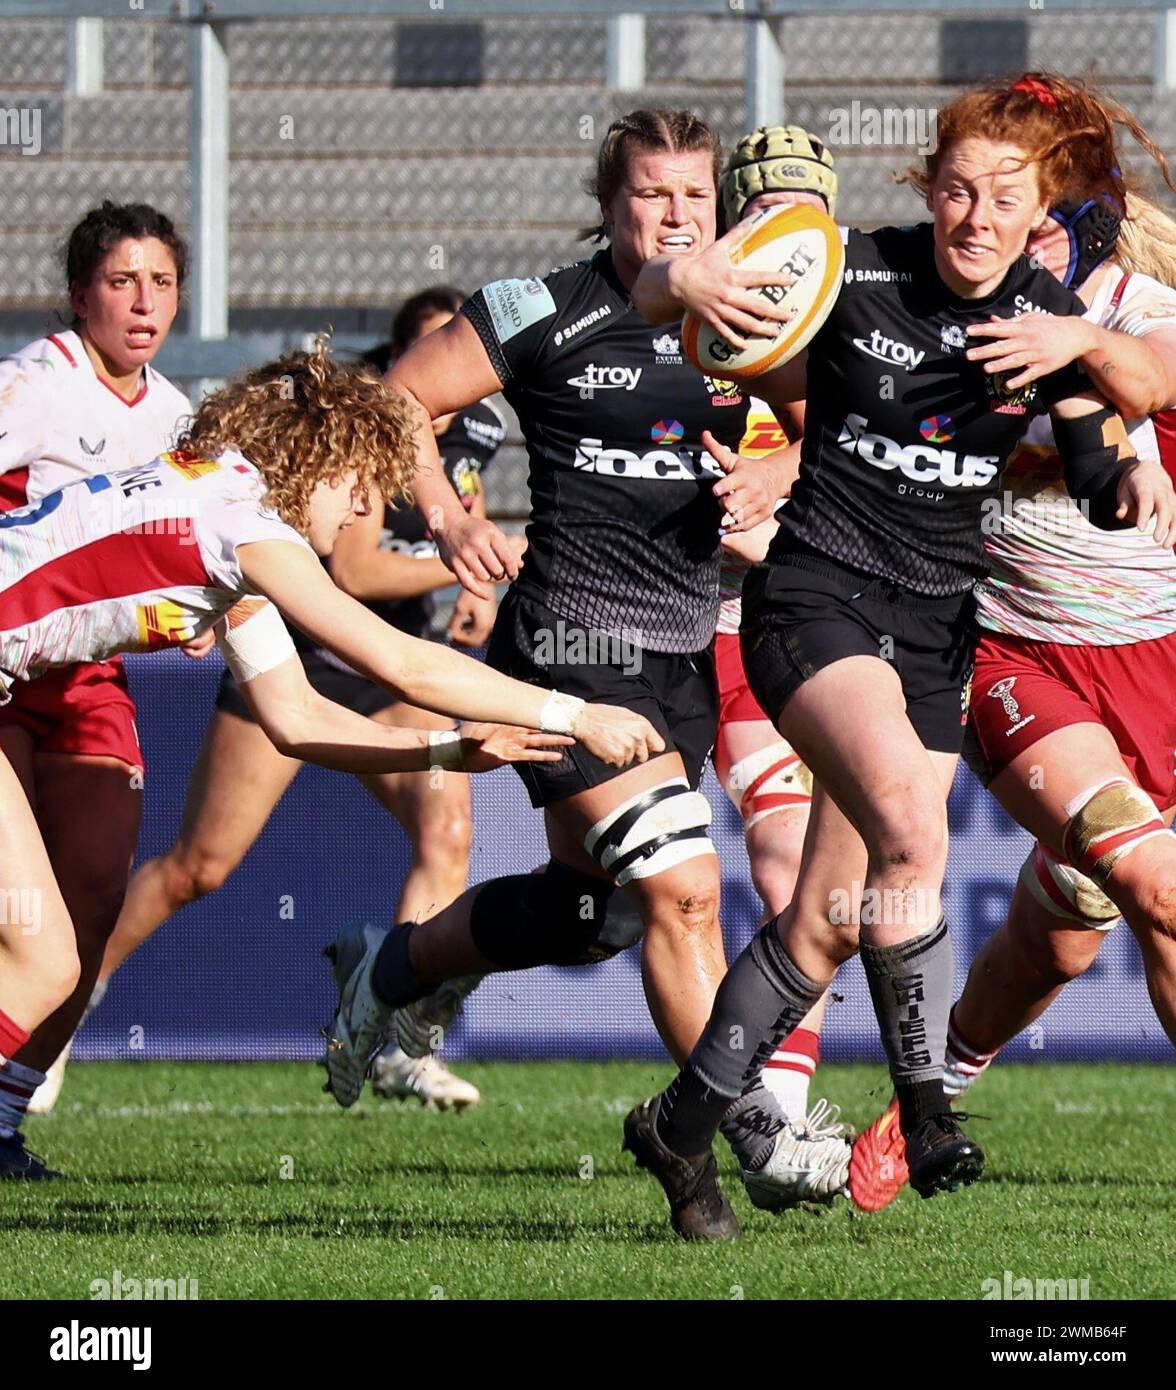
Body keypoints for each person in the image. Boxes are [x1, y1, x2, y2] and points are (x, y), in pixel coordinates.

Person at [616, 77, 1175, 1238]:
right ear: (928, 188)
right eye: (956, 189)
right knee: (914, 841)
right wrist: (685, 282)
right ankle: (926, 1110)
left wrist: (1126, 476)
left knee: (831, 909)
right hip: (815, 599)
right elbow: (697, 329)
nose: (975, 216)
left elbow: (1090, 459)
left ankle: (681, 1119)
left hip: (933, 634)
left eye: (1002, 197)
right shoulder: (849, 270)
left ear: (1039, 214)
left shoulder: (1041, 325)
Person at [0, 343, 661, 1178]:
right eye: (360, 487)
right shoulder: (244, 528)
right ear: (319, 454)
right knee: (43, 961)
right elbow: (402, 662)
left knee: (43, 957)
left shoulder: (222, 507)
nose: (360, 512)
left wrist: (452, 746)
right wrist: (572, 712)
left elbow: (296, 718)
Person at [320, 109, 804, 1198]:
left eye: (694, 195)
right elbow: (395, 396)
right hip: (569, 644)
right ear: (607, 206)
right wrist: (448, 514)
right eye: (651, 194)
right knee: (684, 890)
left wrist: (782, 471)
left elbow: (824, 417)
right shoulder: (543, 306)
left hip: (684, 653)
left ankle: (387, 968)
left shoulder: (752, 312)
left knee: (596, 915)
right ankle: (746, 1135)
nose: (676, 216)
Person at [849, 73, 1176, 1211]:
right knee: (1155, 883)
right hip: (1015, 654)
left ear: (1079, 217)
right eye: (975, 200)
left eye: (1025, 208)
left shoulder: (1135, 303)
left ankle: (932, 1084)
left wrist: (1072, 336)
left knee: (1075, 924)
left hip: (1156, 653)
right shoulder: (949, 302)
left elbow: (1149, 379)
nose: (991, 228)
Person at [86, 287, 507, 1119]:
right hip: (304, 650)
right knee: (197, 868)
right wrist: (466, 571)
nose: (451, 378)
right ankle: (69, 997)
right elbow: (352, 576)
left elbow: (468, 521)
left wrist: (481, 583)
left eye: (463, 353)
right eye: (432, 355)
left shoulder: (481, 431)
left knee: (447, 824)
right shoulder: (356, 433)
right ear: (397, 366)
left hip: (390, 666)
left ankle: (396, 1040)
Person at [0, 202, 195, 1156]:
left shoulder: (174, 418)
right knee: (17, 916)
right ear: (81, 295)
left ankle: (8, 1111)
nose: (142, 301)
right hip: (5, 668)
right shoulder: (34, 384)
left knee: (92, 895)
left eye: (161, 282)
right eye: (121, 281)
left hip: (85, 680)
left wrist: (200, 613)